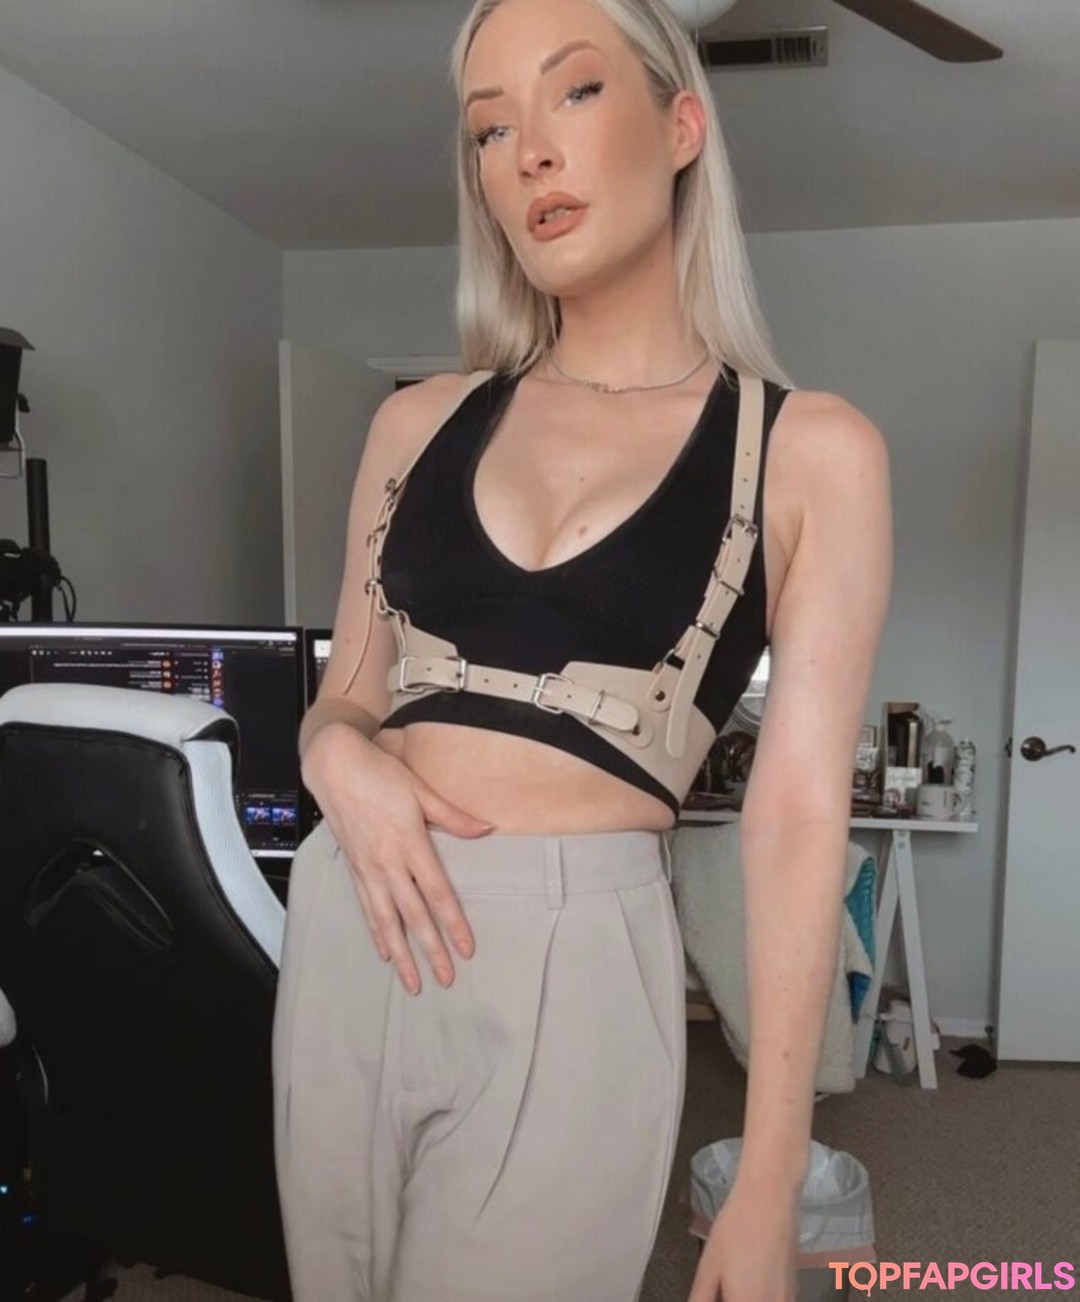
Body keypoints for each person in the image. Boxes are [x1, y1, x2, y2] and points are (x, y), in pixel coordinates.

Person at [272, 0, 892, 1298]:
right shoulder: (415, 424)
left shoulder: (810, 453)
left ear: (682, 126)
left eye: (575, 92)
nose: (529, 154)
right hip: (349, 918)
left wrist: (771, 1173)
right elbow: (346, 696)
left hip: (575, 956)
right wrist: (336, 763)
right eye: (489, 129)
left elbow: (794, 818)